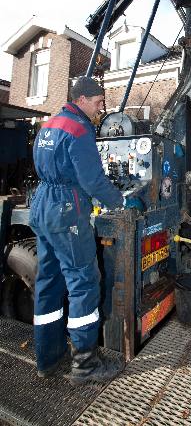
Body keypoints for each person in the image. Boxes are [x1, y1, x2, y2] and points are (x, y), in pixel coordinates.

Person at [30, 76, 124, 384]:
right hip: (66, 209)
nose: (101, 109)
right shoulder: (79, 128)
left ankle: (48, 358)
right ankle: (85, 365)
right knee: (84, 280)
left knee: (49, 282)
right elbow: (93, 181)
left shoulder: (49, 125)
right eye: (98, 103)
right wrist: (120, 199)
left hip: (43, 204)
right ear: (82, 99)